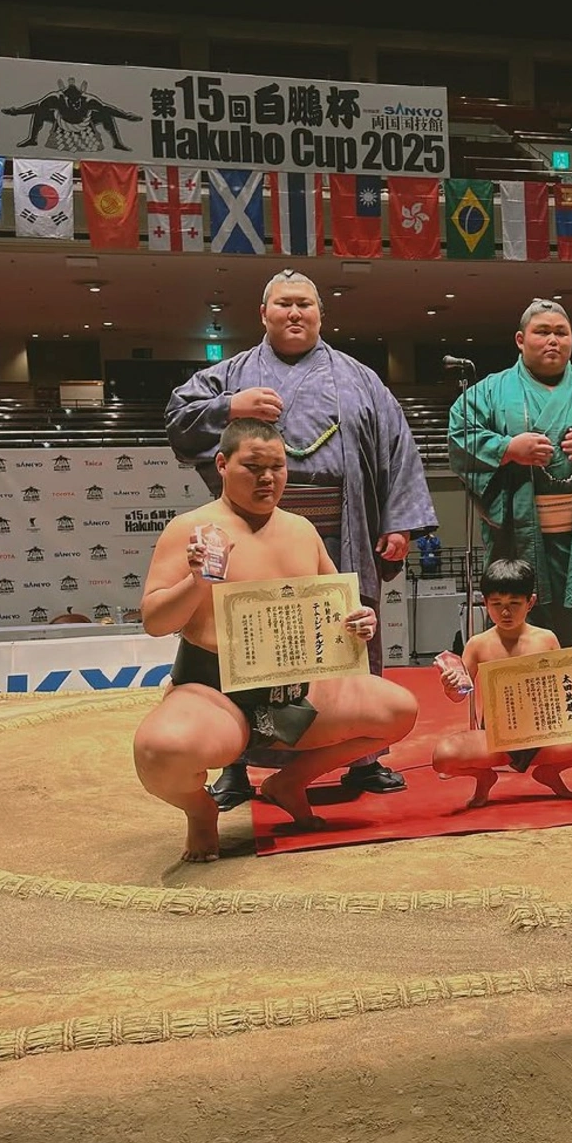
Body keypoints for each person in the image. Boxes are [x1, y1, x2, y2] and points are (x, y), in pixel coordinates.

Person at [166, 270, 436, 805]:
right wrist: (231, 407)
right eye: (284, 304)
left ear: (320, 315)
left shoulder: (361, 378)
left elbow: (399, 448)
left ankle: (362, 759)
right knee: (247, 641)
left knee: (351, 631)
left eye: (305, 305)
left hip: (345, 529)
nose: (295, 313)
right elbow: (177, 417)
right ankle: (236, 765)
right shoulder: (232, 375)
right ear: (263, 313)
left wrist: (398, 523)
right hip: (257, 534)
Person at [133, 420, 419, 863]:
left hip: (296, 687)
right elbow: (154, 621)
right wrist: (196, 582)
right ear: (222, 464)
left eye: (277, 467)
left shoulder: (301, 529)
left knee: (399, 710)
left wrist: (359, 621)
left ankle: (289, 782)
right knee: (160, 751)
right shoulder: (190, 529)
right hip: (213, 691)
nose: (267, 478)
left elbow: (336, 608)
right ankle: (200, 810)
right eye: (253, 467)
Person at [448, 299, 572, 759]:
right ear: (521, 340)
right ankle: (513, 724)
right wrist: (507, 448)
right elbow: (460, 434)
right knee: (516, 621)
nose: (553, 340)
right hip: (518, 533)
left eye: (561, 331)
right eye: (543, 332)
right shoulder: (488, 393)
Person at [432, 559, 572, 807]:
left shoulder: (546, 639)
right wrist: (451, 687)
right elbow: (460, 694)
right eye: (497, 604)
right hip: (496, 739)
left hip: (544, 735)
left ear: (530, 602)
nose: (505, 612)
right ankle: (484, 777)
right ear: (485, 603)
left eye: (514, 604)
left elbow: (567, 691)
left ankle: (550, 771)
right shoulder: (477, 644)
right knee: (443, 757)